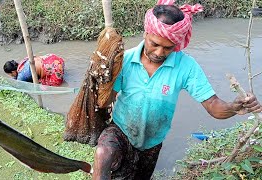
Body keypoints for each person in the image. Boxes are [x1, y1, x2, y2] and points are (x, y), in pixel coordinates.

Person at [92, 0, 262, 180]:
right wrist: (104, 78)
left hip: (152, 142)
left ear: (177, 44)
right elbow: (105, 100)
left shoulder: (186, 66)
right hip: (121, 130)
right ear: (146, 33)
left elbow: (213, 105)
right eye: (154, 44)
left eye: (168, 48)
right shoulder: (124, 60)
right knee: (103, 153)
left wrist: (234, 107)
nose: (159, 52)